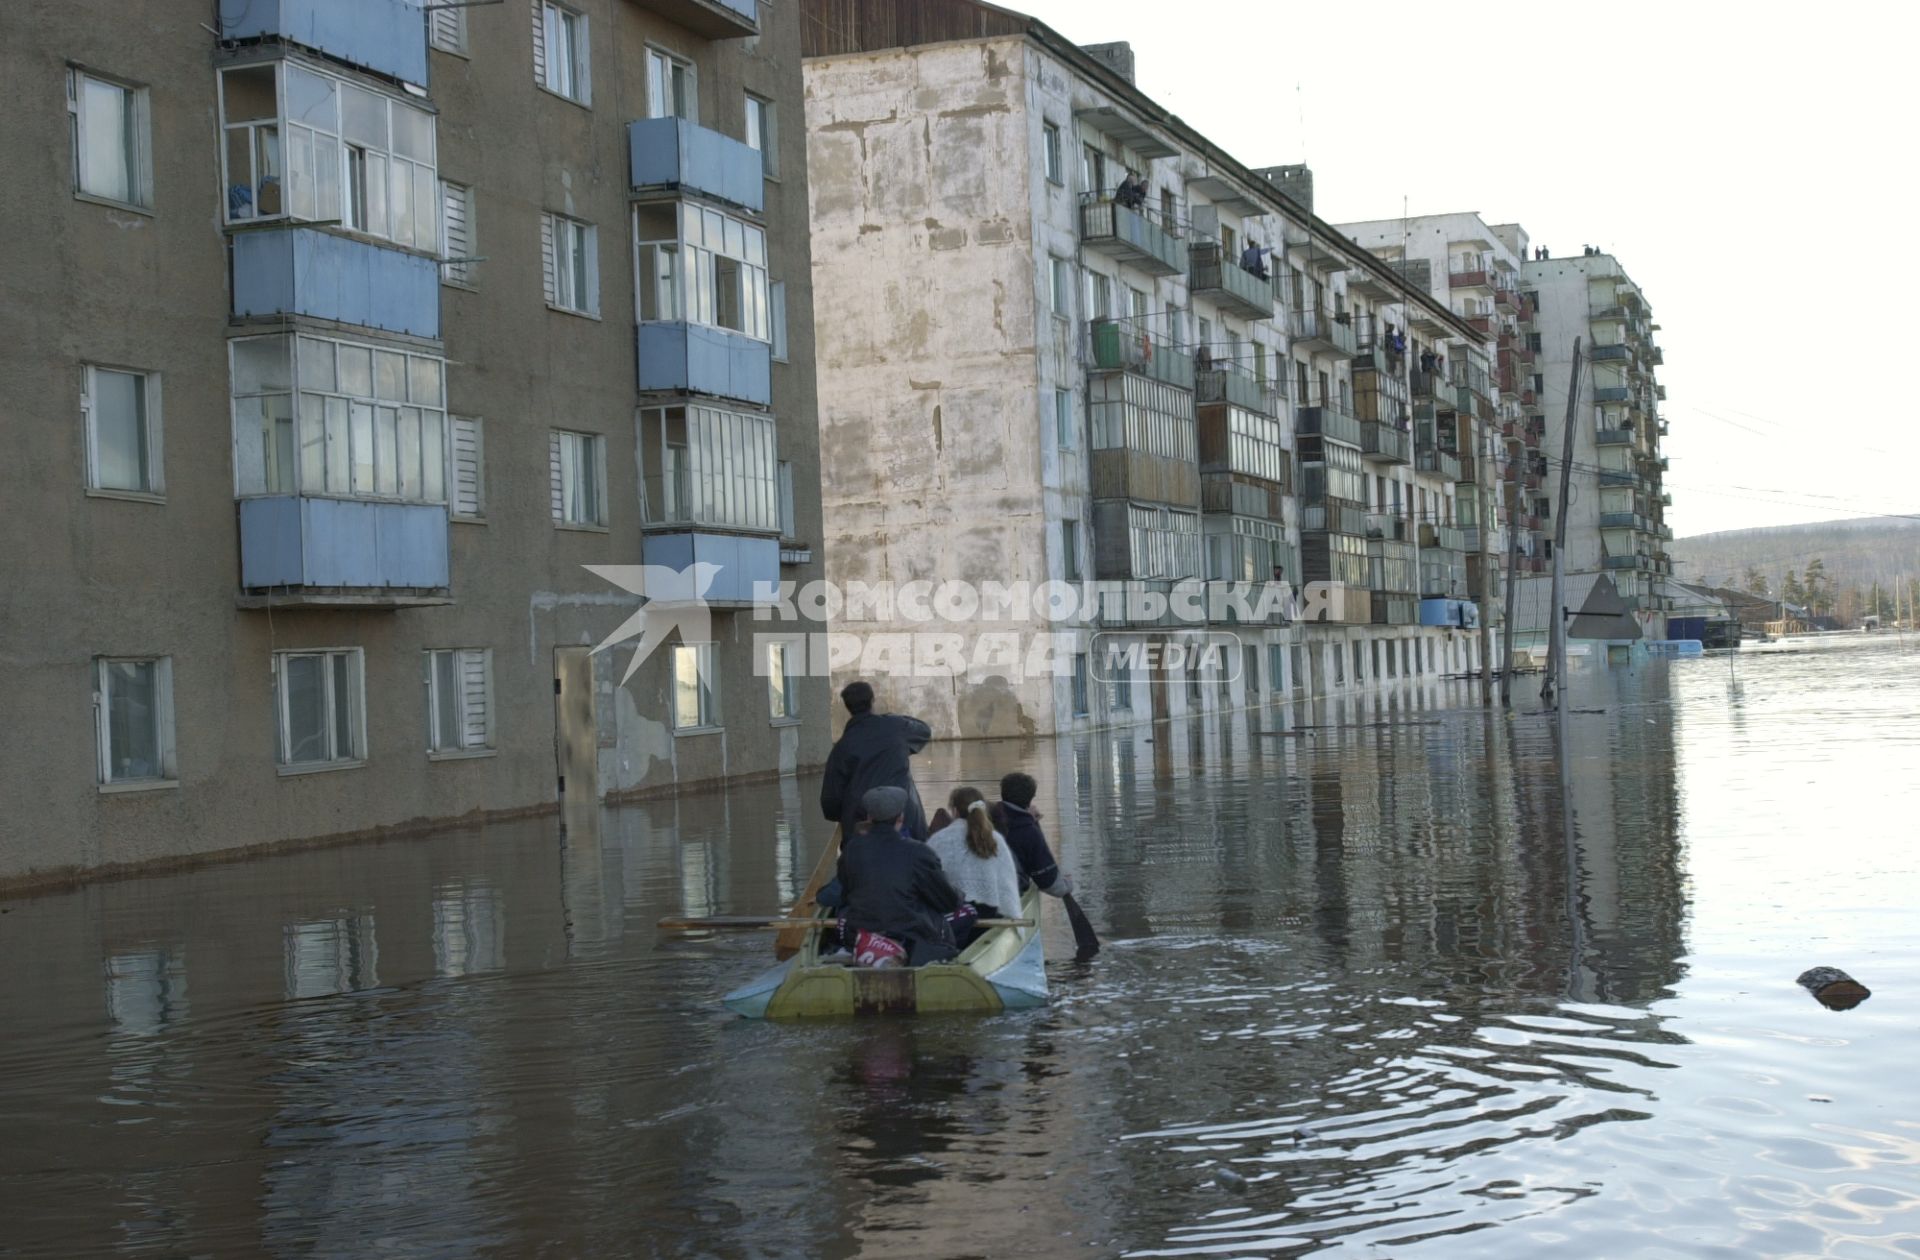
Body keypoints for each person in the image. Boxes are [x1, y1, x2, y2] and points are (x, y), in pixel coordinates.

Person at [833, 786, 961, 967]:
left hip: (861, 934)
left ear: (869, 818)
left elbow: (846, 894)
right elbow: (948, 901)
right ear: (901, 818)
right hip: (910, 936)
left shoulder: (852, 849)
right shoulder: (918, 852)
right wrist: (959, 895)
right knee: (948, 917)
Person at [820, 681, 932, 839]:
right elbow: (924, 730)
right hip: (907, 822)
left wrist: (847, 814)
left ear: (847, 707)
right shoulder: (896, 727)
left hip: (860, 828)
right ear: (872, 701)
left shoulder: (842, 747)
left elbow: (830, 803)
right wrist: (891, 717)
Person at [927, 787, 1023, 943]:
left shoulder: (938, 840)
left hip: (953, 917)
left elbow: (930, 882)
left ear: (954, 811)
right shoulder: (995, 839)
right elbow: (1007, 883)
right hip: (988, 913)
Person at [991, 772, 1074, 900]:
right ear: (1031, 797)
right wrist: (1067, 885)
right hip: (1009, 897)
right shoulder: (1028, 831)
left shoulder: (986, 819)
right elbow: (1048, 881)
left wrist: (1029, 819)